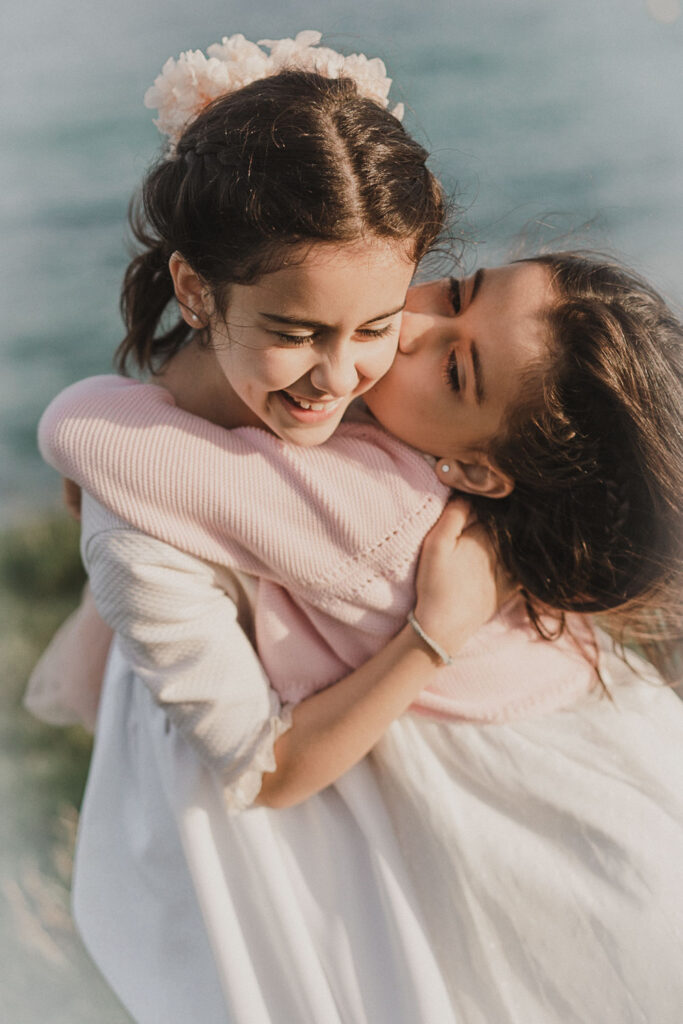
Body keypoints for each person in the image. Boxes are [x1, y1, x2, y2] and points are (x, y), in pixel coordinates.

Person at [34, 30, 683, 1024]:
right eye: (452, 295)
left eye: (383, 326)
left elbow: (110, 435)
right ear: (196, 288)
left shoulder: (392, 499)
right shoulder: (310, 445)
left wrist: (431, 634)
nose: (367, 362)